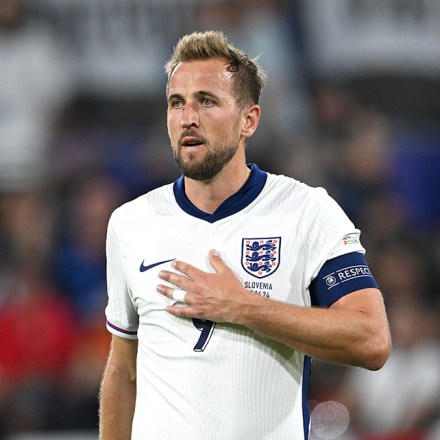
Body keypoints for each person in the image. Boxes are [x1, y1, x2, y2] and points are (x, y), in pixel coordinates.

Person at [99, 30, 391, 440]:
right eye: (176, 102)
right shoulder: (130, 222)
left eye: (207, 101)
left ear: (248, 120)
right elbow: (123, 371)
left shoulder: (306, 212)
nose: (187, 117)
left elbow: (371, 339)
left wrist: (242, 307)